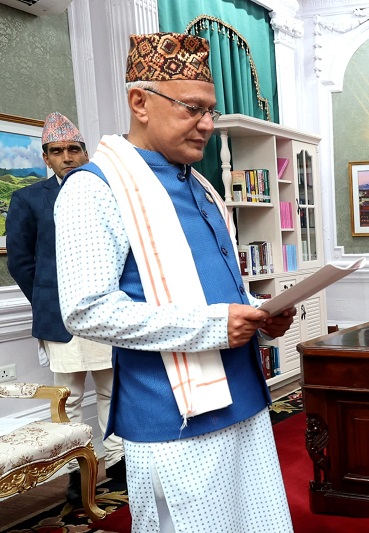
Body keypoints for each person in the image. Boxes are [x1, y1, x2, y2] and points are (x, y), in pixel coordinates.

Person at [53, 32, 296, 532]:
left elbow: (215, 288)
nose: (207, 124)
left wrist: (258, 310)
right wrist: (213, 326)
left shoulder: (202, 185)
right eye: (192, 108)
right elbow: (85, 309)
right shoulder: (93, 190)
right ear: (140, 102)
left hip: (244, 396)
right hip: (173, 415)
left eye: (210, 109)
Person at [6, 112, 126, 505]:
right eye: (57, 151)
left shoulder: (105, 191)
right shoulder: (28, 198)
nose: (67, 156)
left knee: (113, 389)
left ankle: (122, 464)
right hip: (59, 318)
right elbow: (21, 260)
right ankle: (78, 472)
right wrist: (47, 297)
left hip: (107, 311)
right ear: (46, 158)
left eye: (74, 148)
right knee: (69, 397)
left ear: (85, 152)